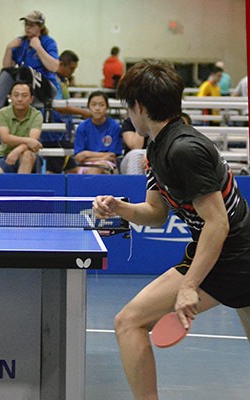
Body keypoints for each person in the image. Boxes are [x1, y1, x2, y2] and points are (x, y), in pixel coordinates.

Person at [93, 60, 250, 400]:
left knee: (129, 322)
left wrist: (189, 286)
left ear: (140, 107)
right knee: (130, 321)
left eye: (128, 106)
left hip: (236, 255)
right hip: (229, 251)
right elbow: (156, 213)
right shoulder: (157, 147)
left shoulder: (183, 150)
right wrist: (118, 207)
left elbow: (217, 222)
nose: (128, 114)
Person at [0, 10, 60, 123]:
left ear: (40, 26)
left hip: (46, 88)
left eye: (32, 25)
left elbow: (54, 67)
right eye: (26, 25)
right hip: (26, 86)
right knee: (10, 72)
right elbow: (6, 69)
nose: (28, 28)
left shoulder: (48, 42)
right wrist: (9, 48)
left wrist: (39, 48)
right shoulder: (22, 42)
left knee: (25, 71)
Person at [0, 82, 43, 174]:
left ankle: (20, 188)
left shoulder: (36, 115)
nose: (19, 99)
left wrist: (17, 151)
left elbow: (33, 141)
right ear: (10, 97)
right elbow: (5, 138)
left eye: (24, 95)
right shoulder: (2, 113)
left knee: (27, 156)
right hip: (5, 155)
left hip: (30, 155)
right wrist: (28, 141)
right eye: (16, 95)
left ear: (31, 99)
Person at [73, 91, 122, 174]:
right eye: (93, 104)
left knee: (99, 167)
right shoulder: (82, 127)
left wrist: (87, 154)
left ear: (107, 107)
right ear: (88, 106)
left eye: (102, 105)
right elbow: (79, 157)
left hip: (107, 164)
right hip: (85, 165)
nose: (97, 108)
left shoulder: (114, 126)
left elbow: (112, 156)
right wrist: (103, 155)